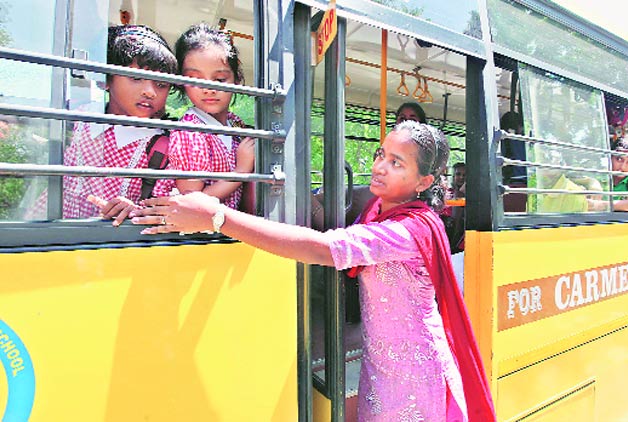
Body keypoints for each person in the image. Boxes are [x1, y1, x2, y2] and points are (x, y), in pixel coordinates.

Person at [131, 121, 496, 421]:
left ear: (424, 182)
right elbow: (327, 228)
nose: (380, 166)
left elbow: (327, 247)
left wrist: (218, 217)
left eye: (397, 163)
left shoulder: (408, 228)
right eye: (381, 154)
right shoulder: (381, 210)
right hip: (382, 361)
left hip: (414, 371)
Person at [59, 24, 177, 225]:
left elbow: (169, 210)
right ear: (104, 79)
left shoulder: (164, 146)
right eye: (136, 77)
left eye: (161, 84)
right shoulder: (75, 120)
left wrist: (136, 212)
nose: (150, 92)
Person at [152, 23, 255, 209]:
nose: (208, 89)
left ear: (236, 80)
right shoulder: (190, 131)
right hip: (200, 235)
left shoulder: (235, 124)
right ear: (182, 82)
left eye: (219, 80)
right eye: (195, 80)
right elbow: (191, 203)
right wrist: (242, 171)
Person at [588, 134, 628, 212]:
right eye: (619, 159)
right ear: (611, 156)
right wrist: (592, 183)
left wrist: (597, 205)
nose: (623, 167)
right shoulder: (600, 174)